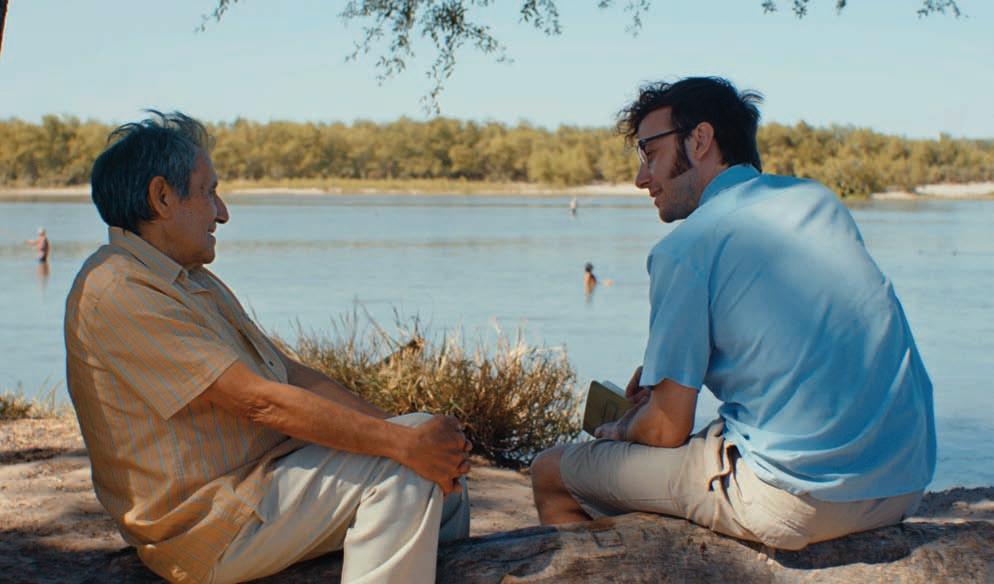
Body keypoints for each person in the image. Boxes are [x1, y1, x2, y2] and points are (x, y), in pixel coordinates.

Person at [64, 111, 471, 584]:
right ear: (162, 197)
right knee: (404, 469)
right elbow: (258, 401)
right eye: (209, 192)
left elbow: (287, 374)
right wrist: (402, 444)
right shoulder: (120, 290)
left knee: (443, 472)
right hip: (209, 526)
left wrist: (405, 433)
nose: (222, 212)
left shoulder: (189, 280)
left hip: (258, 487)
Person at [531, 77, 935, 551]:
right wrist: (661, 397)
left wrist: (622, 428)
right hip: (903, 483)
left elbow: (665, 429)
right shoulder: (818, 202)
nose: (641, 177)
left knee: (551, 472)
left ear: (700, 140)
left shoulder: (684, 249)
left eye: (650, 153)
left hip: (797, 498)